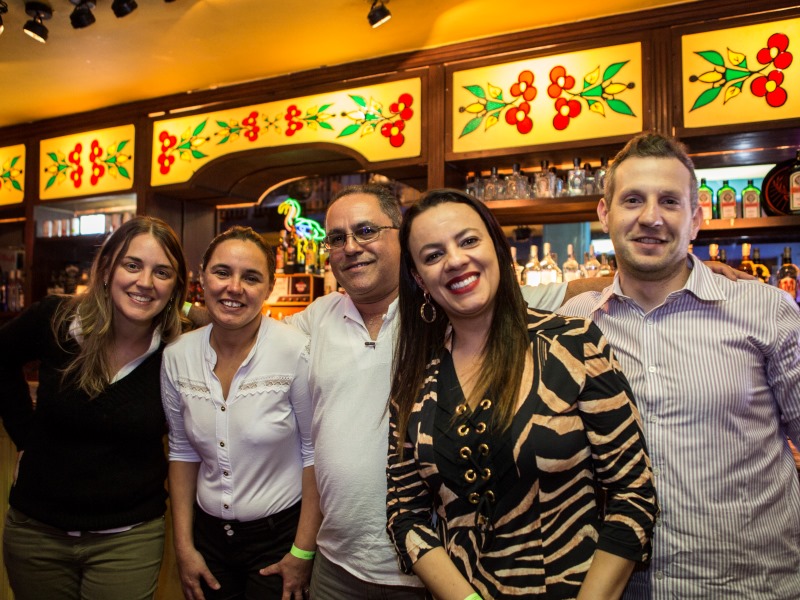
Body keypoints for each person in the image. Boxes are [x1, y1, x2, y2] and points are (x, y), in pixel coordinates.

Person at [559, 132, 800, 599]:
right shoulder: (573, 323)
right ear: (605, 215)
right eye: (632, 200)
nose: (651, 217)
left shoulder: (766, 311)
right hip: (620, 588)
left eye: (670, 201)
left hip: (753, 587)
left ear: (696, 219)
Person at [386, 188, 658, 600]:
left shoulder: (573, 345)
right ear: (420, 280)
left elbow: (633, 493)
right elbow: (405, 515)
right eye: (433, 254)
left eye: (468, 240)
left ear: (498, 248)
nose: (456, 260)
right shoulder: (414, 380)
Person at [0, 216, 188, 600]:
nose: (145, 282)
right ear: (106, 269)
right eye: (132, 265)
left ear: (176, 287)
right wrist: (24, 436)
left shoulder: (181, 348)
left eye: (162, 272)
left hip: (128, 540)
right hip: (37, 533)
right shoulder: (56, 319)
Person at [162, 226, 319, 600]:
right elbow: (182, 451)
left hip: (279, 540)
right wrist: (184, 547)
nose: (234, 288)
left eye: (251, 278)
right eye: (222, 272)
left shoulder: (296, 351)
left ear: (269, 287)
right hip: (208, 540)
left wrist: (302, 551)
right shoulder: (177, 355)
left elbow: (314, 454)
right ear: (202, 276)